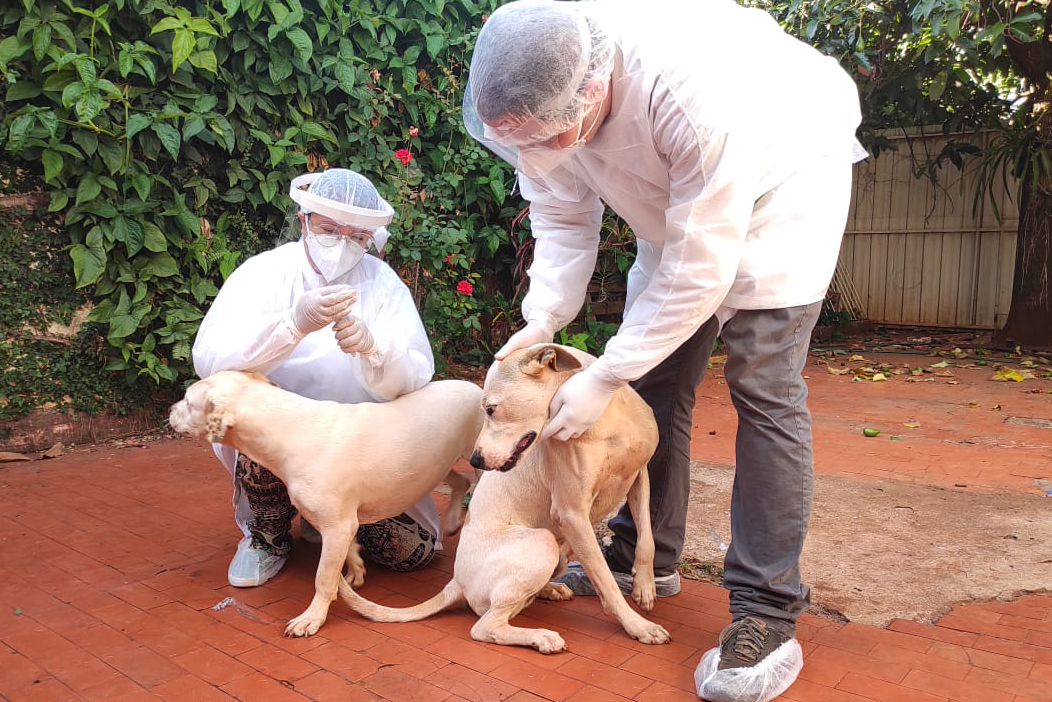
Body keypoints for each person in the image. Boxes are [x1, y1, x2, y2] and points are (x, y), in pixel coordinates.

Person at [463, 1, 866, 700]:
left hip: (782, 193)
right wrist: (544, 316)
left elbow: (700, 268)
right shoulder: (539, 94)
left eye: (554, 134)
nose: (542, 151)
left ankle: (765, 611)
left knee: (764, 388)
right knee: (659, 390)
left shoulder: (689, 94)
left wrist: (606, 372)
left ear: (592, 89)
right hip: (676, 211)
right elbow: (561, 213)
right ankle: (645, 556)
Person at [192, 168, 441, 589]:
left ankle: (325, 516)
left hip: (358, 445)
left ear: (370, 238)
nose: (343, 243)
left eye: (357, 236)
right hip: (279, 440)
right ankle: (267, 537)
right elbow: (211, 360)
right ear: (305, 220)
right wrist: (291, 326)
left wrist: (373, 347)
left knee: (411, 555)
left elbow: (417, 373)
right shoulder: (265, 273)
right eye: (330, 229)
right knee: (234, 411)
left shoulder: (382, 284)